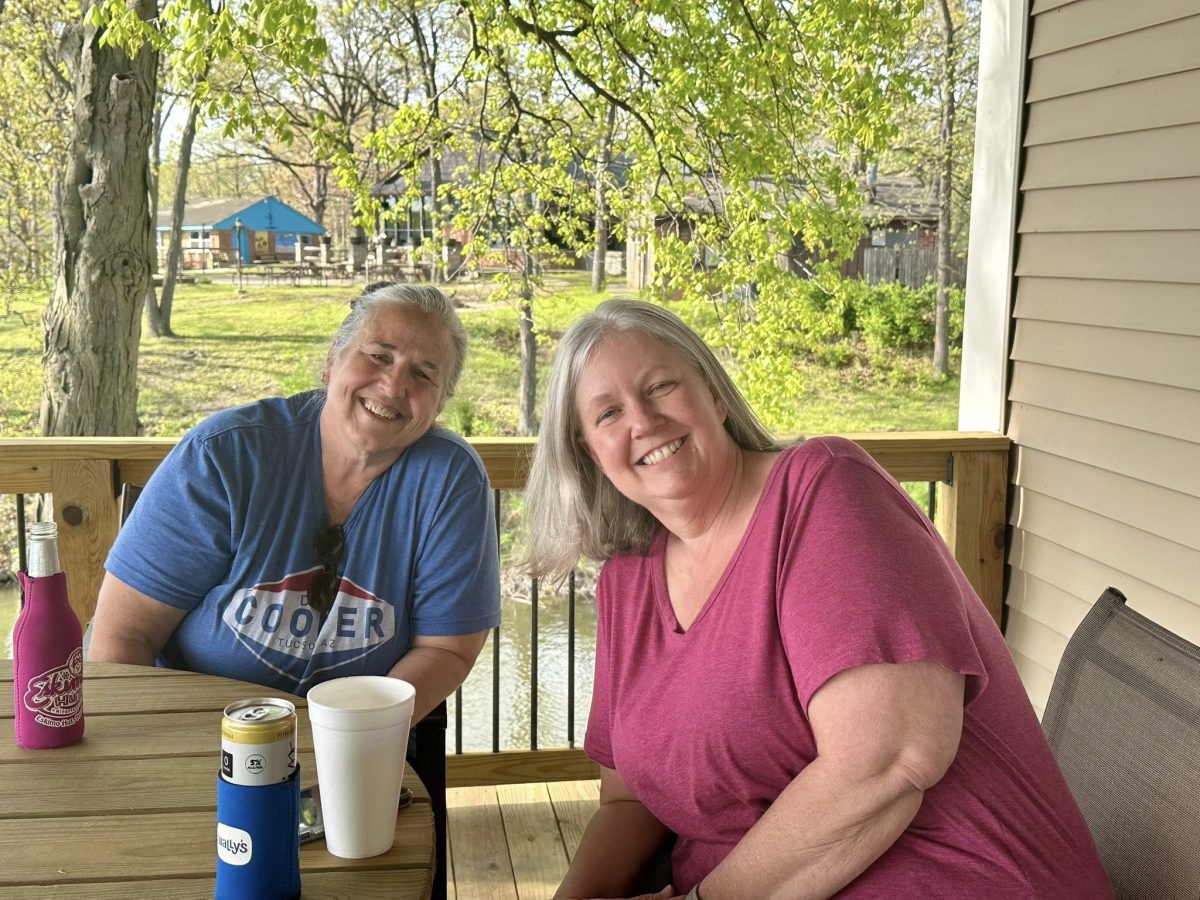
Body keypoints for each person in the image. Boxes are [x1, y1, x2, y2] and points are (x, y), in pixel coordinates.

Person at [524, 300, 1110, 899]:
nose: (643, 421)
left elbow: (889, 762)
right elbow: (629, 799)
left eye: (661, 387)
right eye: (609, 413)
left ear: (714, 395)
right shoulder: (628, 581)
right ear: (588, 451)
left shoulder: (824, 491)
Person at [89, 283, 501, 723]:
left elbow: (446, 650)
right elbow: (124, 636)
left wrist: (354, 739)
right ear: (332, 360)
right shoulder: (224, 455)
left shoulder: (450, 480)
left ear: (439, 403)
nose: (394, 384)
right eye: (379, 356)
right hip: (190, 728)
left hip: (358, 739)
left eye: (422, 374)